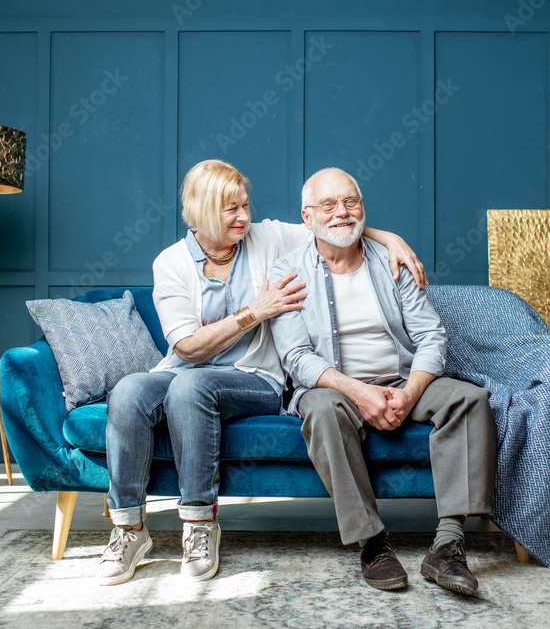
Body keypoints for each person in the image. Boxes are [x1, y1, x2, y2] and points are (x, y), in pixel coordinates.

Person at [97, 159, 426, 585]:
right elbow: (187, 347)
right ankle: (128, 530)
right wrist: (256, 311)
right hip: (186, 369)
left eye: (246, 205)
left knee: (191, 389)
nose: (243, 217)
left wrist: (391, 238)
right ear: (200, 211)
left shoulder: (265, 236)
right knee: (127, 392)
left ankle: (199, 524)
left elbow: (331, 224)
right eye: (230, 209)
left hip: (255, 378)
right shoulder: (171, 263)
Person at [269, 167, 496, 596]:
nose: (341, 213)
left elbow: (431, 335)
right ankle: (372, 544)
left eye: (350, 201)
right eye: (328, 205)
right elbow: (297, 358)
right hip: (335, 388)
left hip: (402, 378)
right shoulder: (288, 272)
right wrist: (358, 391)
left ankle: (447, 546)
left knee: (470, 399)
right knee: (320, 409)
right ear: (307, 216)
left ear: (363, 208)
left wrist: (409, 393)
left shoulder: (392, 260)